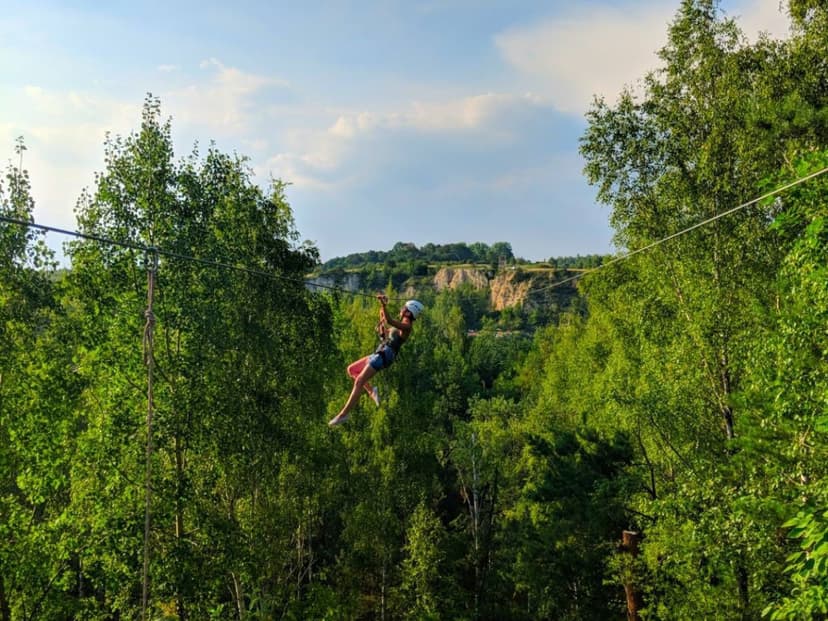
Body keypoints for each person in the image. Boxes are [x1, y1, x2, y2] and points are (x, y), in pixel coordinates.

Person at [328, 295, 424, 426]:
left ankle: (344, 414)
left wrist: (384, 306)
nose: (401, 309)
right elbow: (385, 330)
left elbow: (390, 321)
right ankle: (371, 391)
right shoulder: (399, 327)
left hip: (385, 355)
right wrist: (381, 321)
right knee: (351, 370)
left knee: (359, 381)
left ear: (409, 311)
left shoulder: (407, 327)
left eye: (404, 307)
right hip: (380, 352)